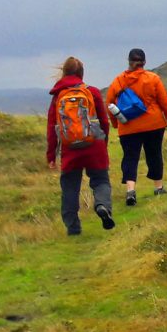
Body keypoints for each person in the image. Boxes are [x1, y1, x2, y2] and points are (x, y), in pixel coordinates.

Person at [106, 48, 167, 206]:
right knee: (154, 154)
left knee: (130, 158)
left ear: (129, 61)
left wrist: (116, 123)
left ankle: (130, 191)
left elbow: (110, 104)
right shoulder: (153, 79)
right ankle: (158, 187)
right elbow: (165, 102)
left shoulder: (118, 81)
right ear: (144, 62)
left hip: (128, 127)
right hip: (153, 125)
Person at [46, 57, 115, 235]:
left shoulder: (58, 97)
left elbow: (51, 129)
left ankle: (73, 228)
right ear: (81, 74)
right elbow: (104, 122)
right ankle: (102, 206)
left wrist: (51, 156)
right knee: (100, 180)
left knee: (69, 186)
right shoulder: (92, 92)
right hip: (94, 145)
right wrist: (103, 143)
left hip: (70, 148)